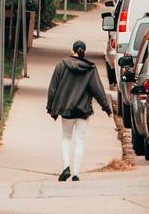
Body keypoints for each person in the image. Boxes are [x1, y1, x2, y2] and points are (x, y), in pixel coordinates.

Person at [46, 40, 111, 181]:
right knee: (80, 140)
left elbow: (53, 88)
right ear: (84, 52)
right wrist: (106, 108)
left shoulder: (62, 65)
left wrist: (50, 107)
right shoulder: (90, 69)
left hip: (67, 110)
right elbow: (98, 91)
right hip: (83, 111)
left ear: (72, 50)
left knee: (66, 138)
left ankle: (66, 167)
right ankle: (76, 173)